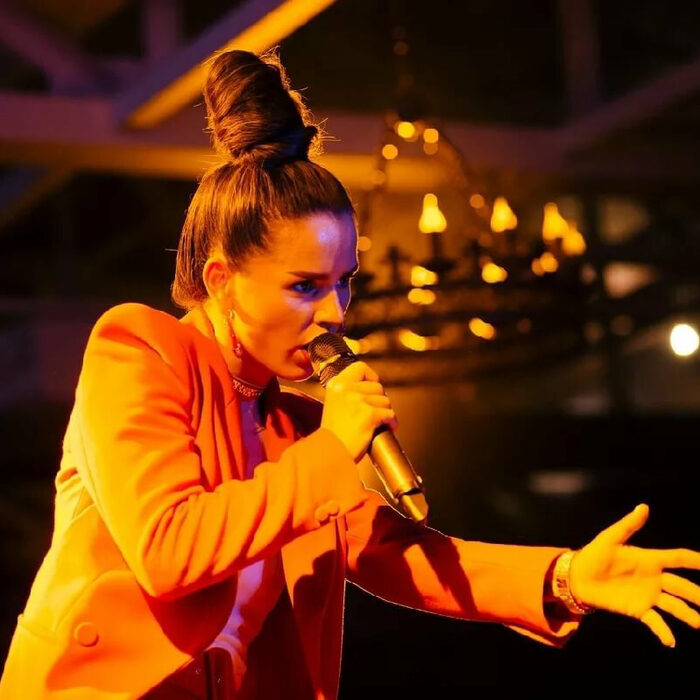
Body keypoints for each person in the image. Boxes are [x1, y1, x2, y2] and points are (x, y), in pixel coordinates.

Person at [2, 49, 699, 700]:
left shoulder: (296, 429)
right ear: (222, 280)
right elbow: (167, 547)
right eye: (304, 286)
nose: (336, 311)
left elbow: (396, 554)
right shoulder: (140, 350)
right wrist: (336, 447)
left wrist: (566, 576)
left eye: (344, 281)